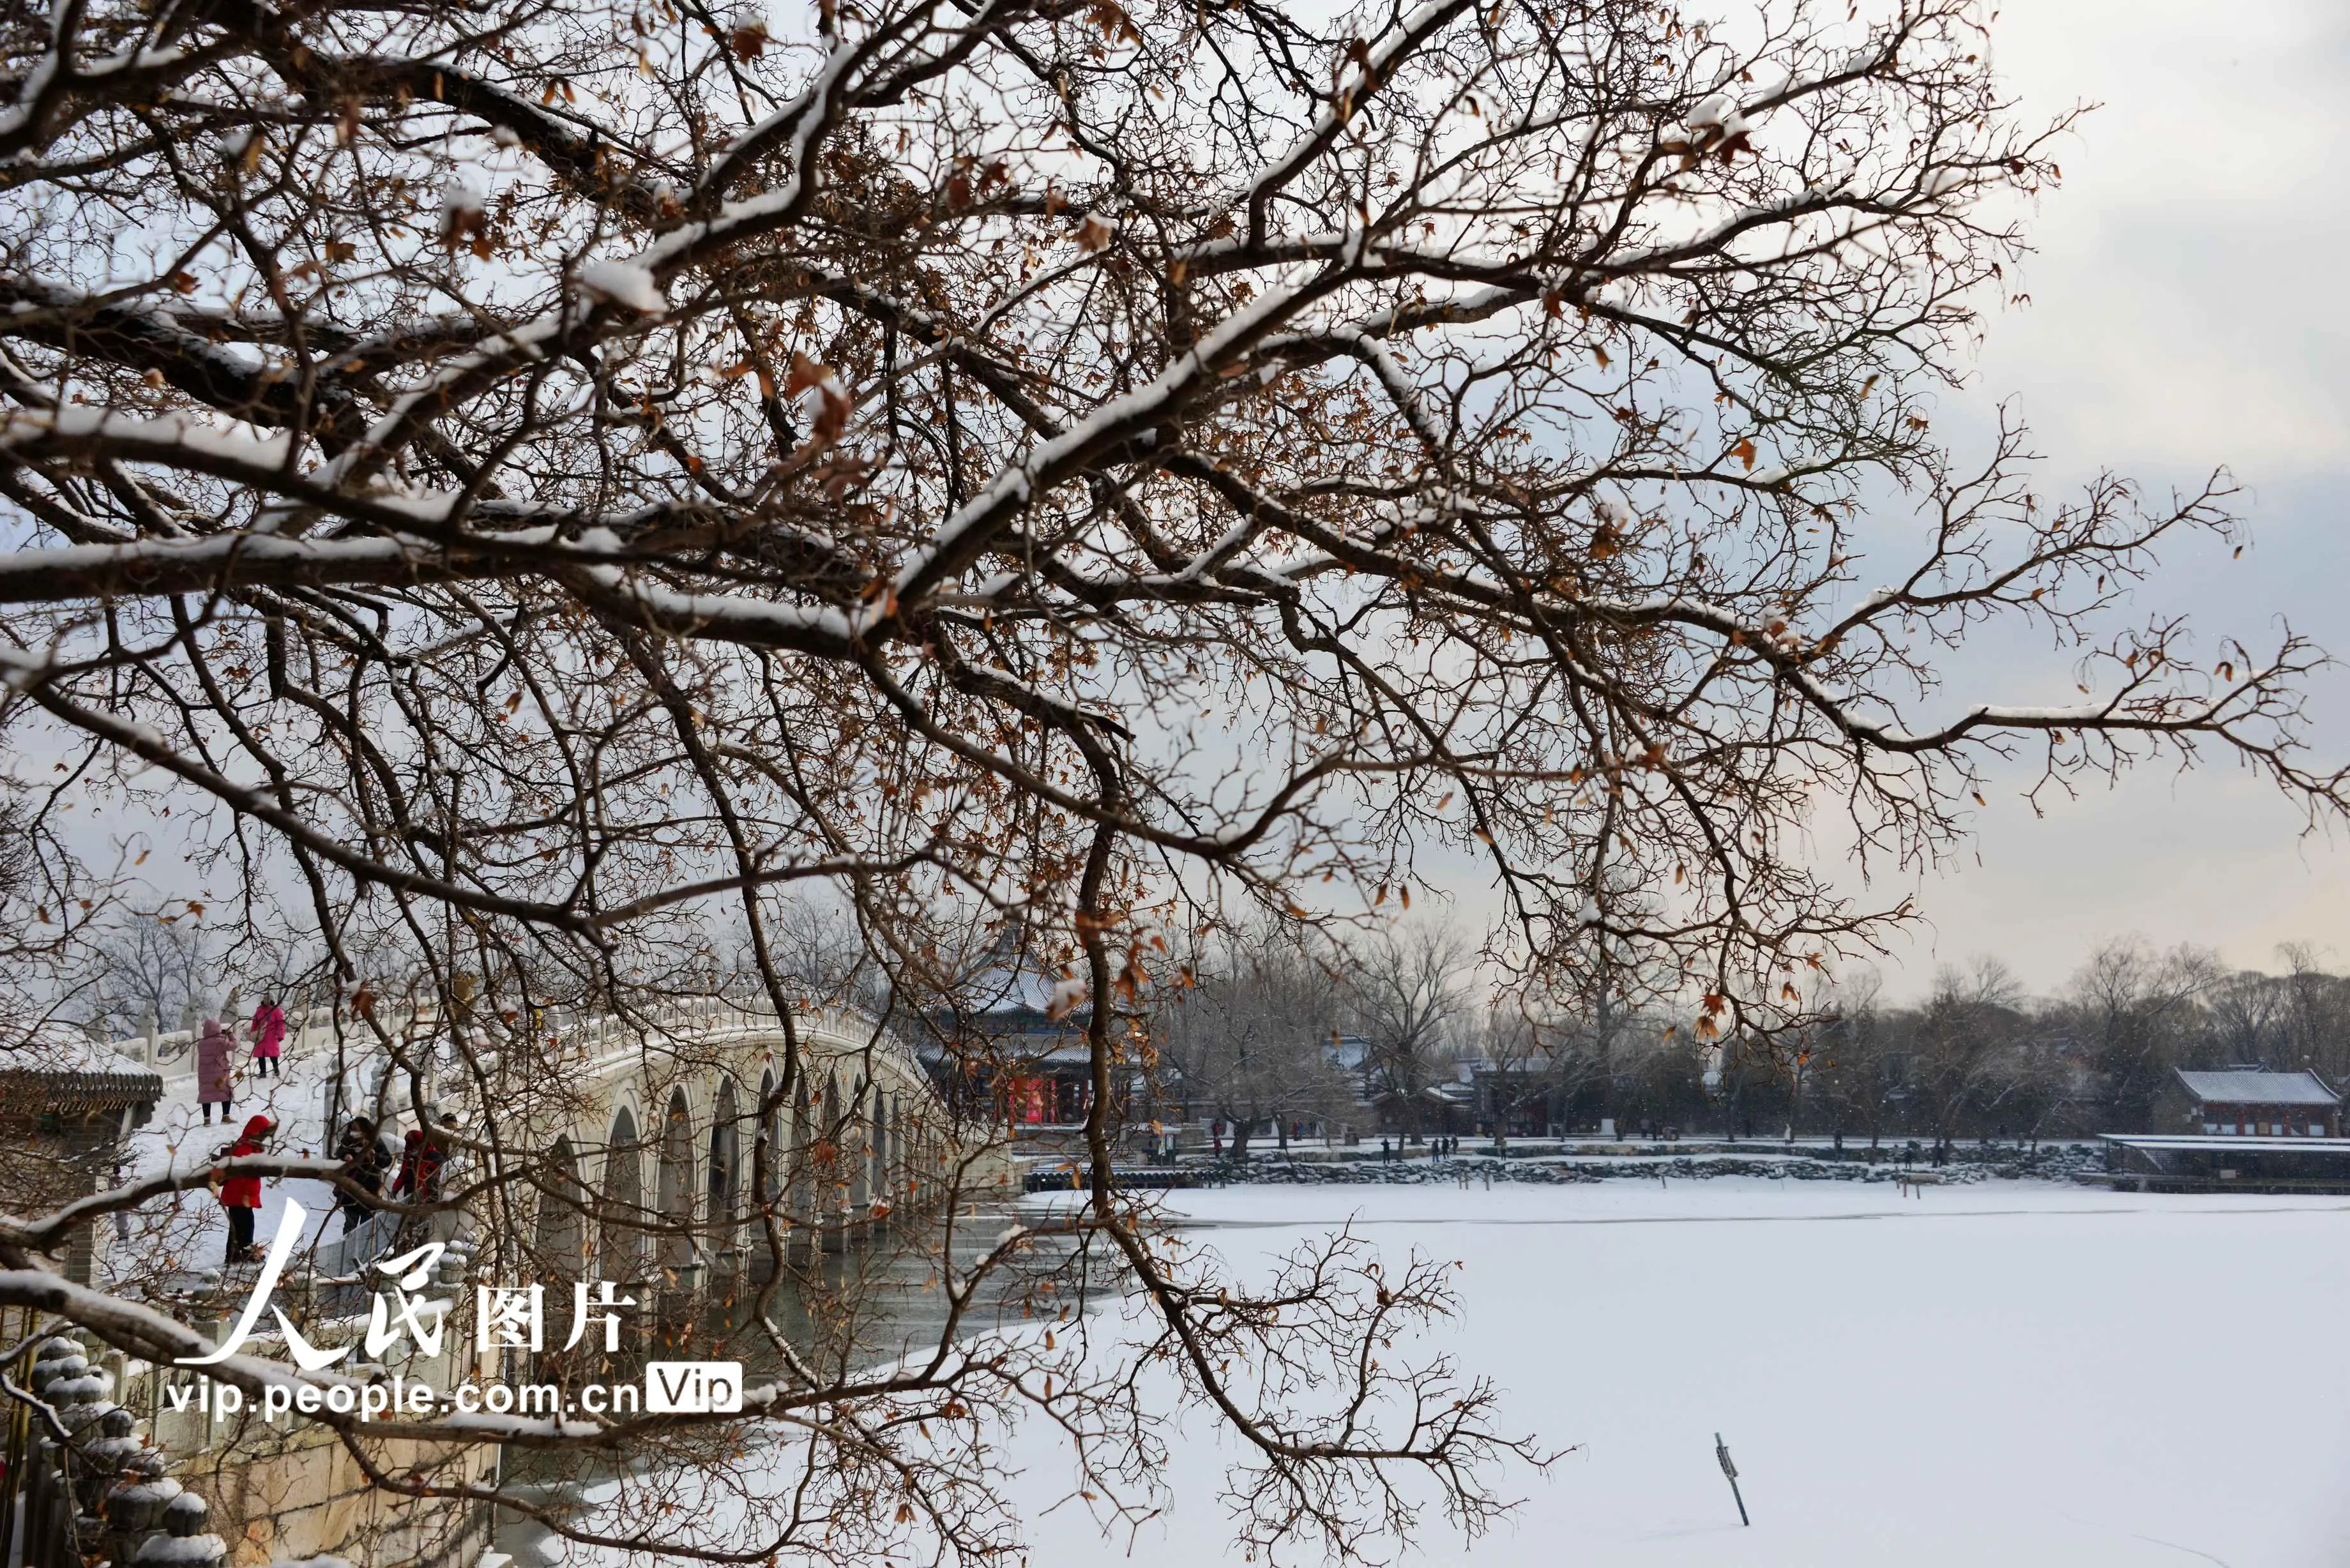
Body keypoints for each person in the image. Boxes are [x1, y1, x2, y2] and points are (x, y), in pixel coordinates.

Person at [216, 1113, 274, 1264]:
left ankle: (234, 1255)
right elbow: (244, 1172)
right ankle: (244, 1252)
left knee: (239, 1225)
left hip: (241, 1195)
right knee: (246, 1224)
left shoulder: (249, 1145)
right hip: (240, 1196)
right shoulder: (245, 1147)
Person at [332, 1115, 386, 1235]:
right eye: (353, 1130)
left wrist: (374, 1157)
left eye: (358, 1130)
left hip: (370, 1190)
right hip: (350, 1190)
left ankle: (364, 1253)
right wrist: (345, 1155)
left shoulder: (375, 1142)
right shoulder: (348, 1141)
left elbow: (387, 1160)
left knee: (366, 1227)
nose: (354, 1133)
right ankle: (347, 1251)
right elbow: (339, 1152)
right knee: (350, 1226)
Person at [195, 1016, 234, 1124]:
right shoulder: (220, 1041)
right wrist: (230, 1035)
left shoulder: (201, 1044)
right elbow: (234, 1045)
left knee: (206, 1095)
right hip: (220, 1073)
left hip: (205, 1074)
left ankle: (207, 1119)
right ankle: (226, 1116)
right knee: (226, 1093)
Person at [249, 998, 287, 1078]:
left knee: (273, 1055)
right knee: (261, 1055)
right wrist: (253, 1033)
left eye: (268, 999)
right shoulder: (259, 1010)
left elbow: (280, 1024)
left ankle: (276, 1070)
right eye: (265, 999)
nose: (266, 1000)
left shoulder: (276, 1010)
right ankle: (263, 1072)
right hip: (261, 1035)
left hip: (272, 1036)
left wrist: (280, 1035)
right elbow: (255, 1022)